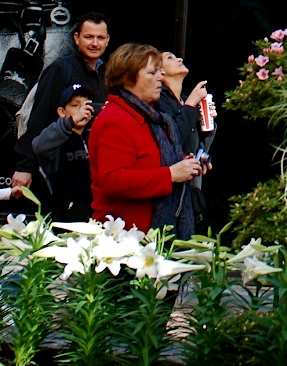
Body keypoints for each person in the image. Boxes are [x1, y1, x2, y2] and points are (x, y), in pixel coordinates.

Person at [88, 43, 202, 236]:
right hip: (124, 241)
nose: (160, 77)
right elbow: (112, 180)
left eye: (159, 72)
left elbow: (149, 161)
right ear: (127, 78)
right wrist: (170, 174)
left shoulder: (153, 117)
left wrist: (185, 163)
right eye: (152, 73)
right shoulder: (115, 119)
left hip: (147, 238)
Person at [11, 12, 109, 197]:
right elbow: (39, 117)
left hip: (94, 174)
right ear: (76, 38)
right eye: (88, 37)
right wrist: (25, 166)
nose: (95, 43)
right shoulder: (60, 69)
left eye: (100, 37)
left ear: (107, 40)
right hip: (59, 172)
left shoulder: (109, 73)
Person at [156, 50, 215, 231]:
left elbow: (197, 144)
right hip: (167, 195)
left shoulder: (183, 100)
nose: (179, 58)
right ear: (160, 71)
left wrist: (208, 123)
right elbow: (171, 140)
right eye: (170, 58)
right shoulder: (158, 101)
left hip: (190, 193)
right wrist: (190, 105)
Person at [29, 83, 94, 221]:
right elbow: (39, 146)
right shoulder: (56, 135)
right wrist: (70, 121)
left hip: (91, 216)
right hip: (60, 219)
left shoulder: (94, 136)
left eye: (86, 105)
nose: (82, 110)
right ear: (62, 112)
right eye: (75, 105)